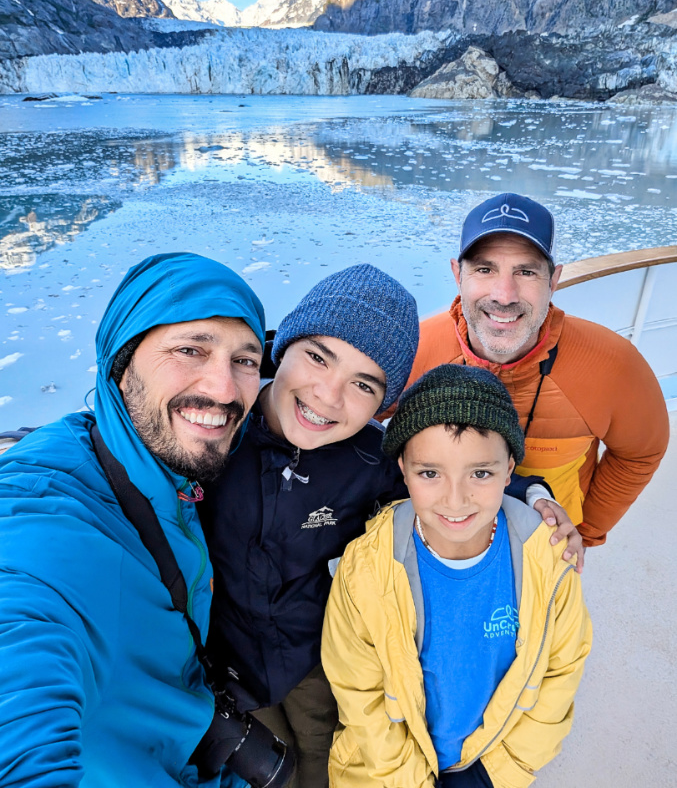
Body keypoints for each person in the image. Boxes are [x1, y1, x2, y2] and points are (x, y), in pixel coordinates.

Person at [199, 264, 581, 788]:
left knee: (318, 764)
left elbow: (449, 477)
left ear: (383, 404)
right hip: (222, 660)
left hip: (314, 658)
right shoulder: (212, 429)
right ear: (281, 347)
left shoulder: (370, 460)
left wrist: (533, 495)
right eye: (316, 356)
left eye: (363, 384)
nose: (328, 396)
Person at [0, 252, 266, 787]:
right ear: (122, 367)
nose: (223, 390)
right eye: (190, 349)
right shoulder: (46, 519)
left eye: (246, 360)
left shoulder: (160, 462)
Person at [322, 364, 593, 788]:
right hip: (387, 774)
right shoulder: (365, 568)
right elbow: (357, 691)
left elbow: (561, 673)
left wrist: (496, 774)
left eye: (480, 473)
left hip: (488, 768)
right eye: (430, 473)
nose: (455, 499)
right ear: (404, 471)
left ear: (510, 472)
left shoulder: (549, 560)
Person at [403, 192, 669, 546]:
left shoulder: (612, 364)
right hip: (435, 543)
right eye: (485, 269)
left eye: (526, 271)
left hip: (548, 545)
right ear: (457, 274)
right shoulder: (415, 349)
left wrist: (586, 530)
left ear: (553, 280)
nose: (504, 294)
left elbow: (640, 452)